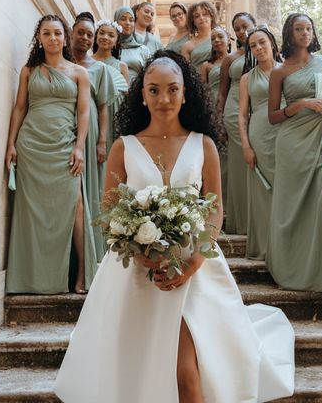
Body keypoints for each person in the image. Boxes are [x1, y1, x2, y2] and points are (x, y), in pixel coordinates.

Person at [54, 51, 295, 403]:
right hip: (137, 274)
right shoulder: (124, 147)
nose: (163, 99)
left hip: (195, 270)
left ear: (185, 93)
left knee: (187, 374)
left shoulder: (204, 146)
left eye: (172, 89)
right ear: (142, 94)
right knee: (141, 371)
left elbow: (214, 211)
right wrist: (140, 253)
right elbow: (110, 213)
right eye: (154, 90)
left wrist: (195, 260)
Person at [5, 15, 97, 295]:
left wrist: (79, 146)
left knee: (76, 206)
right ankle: (31, 277)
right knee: (30, 211)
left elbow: (83, 112)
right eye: (47, 33)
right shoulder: (28, 71)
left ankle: (81, 272)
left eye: (58, 33)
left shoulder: (79, 73)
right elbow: (20, 108)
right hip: (31, 146)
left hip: (64, 145)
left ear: (65, 37)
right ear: (39, 38)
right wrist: (10, 144)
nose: (53, 38)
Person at [267, 13, 322, 292]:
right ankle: (297, 264)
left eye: (308, 28)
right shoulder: (279, 72)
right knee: (295, 207)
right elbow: (273, 116)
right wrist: (302, 103)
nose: (305, 33)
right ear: (289, 33)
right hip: (292, 143)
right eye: (299, 29)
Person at [70, 12, 117, 263]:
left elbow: (103, 108)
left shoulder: (100, 69)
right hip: (65, 132)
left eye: (90, 34)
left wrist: (102, 142)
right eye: (82, 33)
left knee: (91, 191)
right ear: (72, 32)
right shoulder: (61, 63)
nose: (86, 38)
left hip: (90, 138)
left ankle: (91, 256)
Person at [238, 25, 282, 261]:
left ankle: (286, 245)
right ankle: (265, 247)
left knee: (286, 189)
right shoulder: (247, 78)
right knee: (263, 192)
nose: (258, 48)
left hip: (285, 133)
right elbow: (243, 114)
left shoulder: (287, 70)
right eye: (253, 45)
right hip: (259, 135)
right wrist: (246, 145)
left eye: (261, 42)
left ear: (272, 44)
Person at [217, 12, 256, 234]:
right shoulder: (230, 60)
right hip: (233, 113)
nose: (241, 31)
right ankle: (241, 223)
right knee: (239, 167)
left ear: (254, 25)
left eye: (245, 26)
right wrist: (220, 123)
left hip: (258, 110)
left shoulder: (263, 51)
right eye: (237, 28)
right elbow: (221, 94)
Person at [200, 26, 231, 204]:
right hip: (212, 110)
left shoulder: (235, 61)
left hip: (231, 106)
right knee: (216, 155)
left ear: (228, 39)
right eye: (213, 39)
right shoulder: (207, 65)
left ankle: (230, 202)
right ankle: (216, 201)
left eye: (220, 37)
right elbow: (203, 91)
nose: (217, 41)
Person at [92, 18, 129, 152]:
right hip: (92, 110)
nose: (105, 37)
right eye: (102, 33)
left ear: (116, 42)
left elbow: (127, 97)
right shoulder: (84, 63)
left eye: (111, 35)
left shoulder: (122, 66)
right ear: (96, 36)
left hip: (114, 112)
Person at [114, 6, 151, 83]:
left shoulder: (143, 50)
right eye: (123, 19)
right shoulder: (110, 48)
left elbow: (149, 75)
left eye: (131, 20)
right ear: (116, 22)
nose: (128, 23)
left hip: (136, 92)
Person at [181, 1, 217, 71]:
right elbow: (186, 72)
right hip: (198, 81)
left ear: (211, 17)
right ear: (193, 21)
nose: (201, 18)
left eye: (205, 14)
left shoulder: (221, 39)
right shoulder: (187, 46)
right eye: (197, 16)